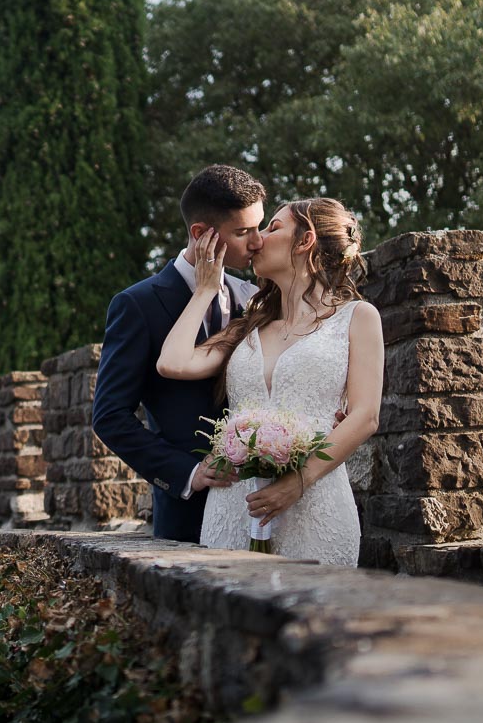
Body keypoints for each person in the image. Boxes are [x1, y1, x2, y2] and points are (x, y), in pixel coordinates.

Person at [155, 198, 382, 566]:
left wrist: (296, 484)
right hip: (234, 503)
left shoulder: (358, 318)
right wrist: (205, 290)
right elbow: (173, 362)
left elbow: (365, 416)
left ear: (305, 240)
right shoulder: (250, 322)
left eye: (272, 228)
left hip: (314, 501)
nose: (257, 239)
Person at [92, 165, 266, 543]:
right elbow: (109, 416)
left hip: (259, 500)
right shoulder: (136, 304)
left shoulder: (253, 298)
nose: (258, 242)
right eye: (243, 232)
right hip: (187, 512)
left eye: (260, 227)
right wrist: (186, 472)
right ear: (202, 234)